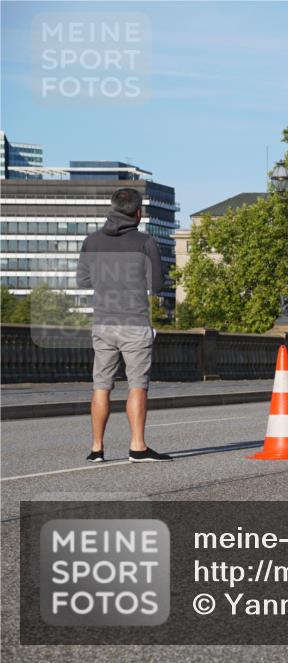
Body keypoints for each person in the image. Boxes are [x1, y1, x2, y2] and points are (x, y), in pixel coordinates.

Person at [76, 187, 171, 463]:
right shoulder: (145, 242)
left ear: (113, 208)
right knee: (137, 385)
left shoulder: (91, 241)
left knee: (101, 386)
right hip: (134, 323)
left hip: (103, 323)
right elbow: (157, 285)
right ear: (138, 212)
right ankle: (137, 447)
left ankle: (96, 449)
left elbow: (83, 282)